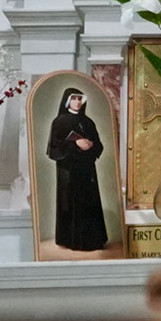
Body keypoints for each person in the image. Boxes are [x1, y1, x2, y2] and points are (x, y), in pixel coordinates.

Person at [45, 88, 107, 252]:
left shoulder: (88, 122)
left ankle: (92, 241)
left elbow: (99, 145)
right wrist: (74, 144)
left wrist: (91, 144)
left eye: (80, 99)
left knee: (89, 203)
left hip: (87, 170)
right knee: (71, 203)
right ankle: (72, 241)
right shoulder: (59, 122)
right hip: (68, 171)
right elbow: (54, 148)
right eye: (74, 99)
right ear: (68, 101)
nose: (78, 102)